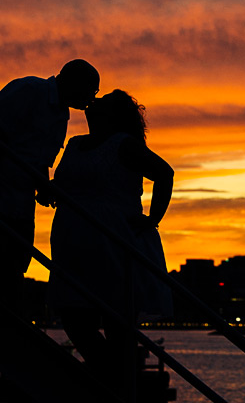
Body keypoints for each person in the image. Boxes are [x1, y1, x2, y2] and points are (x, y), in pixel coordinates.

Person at [0, 59, 100, 309]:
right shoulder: (30, 90)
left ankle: (6, 317)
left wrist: (43, 186)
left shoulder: (61, 115)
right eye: (91, 91)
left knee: (13, 260)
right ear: (74, 83)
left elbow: (38, 159)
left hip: (16, 197)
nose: (92, 99)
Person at [48, 89, 173, 399]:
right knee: (74, 315)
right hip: (73, 241)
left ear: (112, 114)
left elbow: (164, 173)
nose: (95, 100)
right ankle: (109, 376)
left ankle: (114, 384)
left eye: (102, 100)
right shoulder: (75, 144)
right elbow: (67, 184)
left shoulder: (123, 144)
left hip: (113, 240)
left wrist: (152, 218)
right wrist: (52, 191)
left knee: (116, 320)